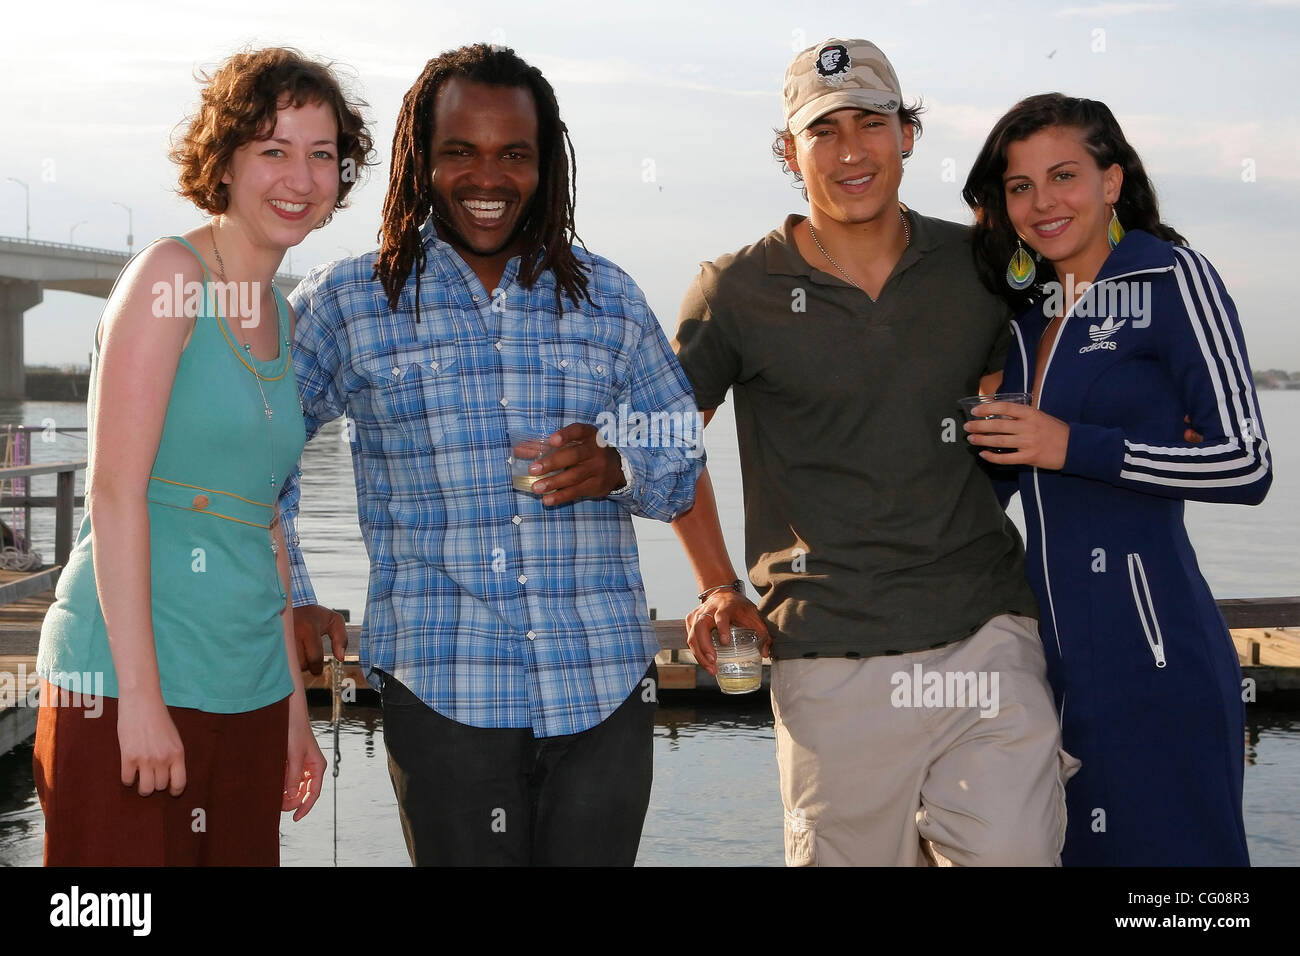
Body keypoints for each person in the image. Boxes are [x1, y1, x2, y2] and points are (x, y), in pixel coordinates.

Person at [281, 43, 703, 866]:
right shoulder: (350, 301)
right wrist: (293, 595)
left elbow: (681, 457)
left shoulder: (609, 297)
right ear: (419, 160)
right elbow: (256, 455)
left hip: (603, 690)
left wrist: (619, 467)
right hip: (442, 691)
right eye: (460, 153)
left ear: (545, 165)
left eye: (514, 154)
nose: (488, 178)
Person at [671, 38, 1075, 867]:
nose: (851, 149)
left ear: (907, 136)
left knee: (1018, 852)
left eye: (871, 123)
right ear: (790, 151)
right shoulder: (735, 290)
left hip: (985, 634)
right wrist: (716, 582)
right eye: (824, 131)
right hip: (828, 654)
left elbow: (1068, 346)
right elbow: (666, 443)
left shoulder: (984, 267)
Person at [33, 48, 373, 865]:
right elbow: (113, 496)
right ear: (221, 163)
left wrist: (295, 716)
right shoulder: (168, 279)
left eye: (321, 154)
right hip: (122, 685)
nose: (300, 176)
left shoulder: (284, 319)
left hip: (248, 691)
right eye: (273, 150)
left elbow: (264, 525)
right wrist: (141, 703)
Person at [960, 93, 1271, 866]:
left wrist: (1075, 445)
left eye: (1063, 176)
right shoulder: (1031, 318)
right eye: (1019, 186)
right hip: (1049, 665)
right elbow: (1009, 486)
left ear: (1112, 181)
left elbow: (1247, 462)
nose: (1041, 203)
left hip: (1155, 654)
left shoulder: (1171, 278)